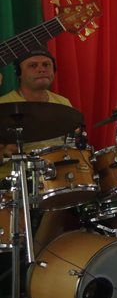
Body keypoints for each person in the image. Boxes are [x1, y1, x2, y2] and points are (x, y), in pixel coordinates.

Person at [0, 49, 76, 254]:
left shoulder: (63, 104)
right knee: (57, 202)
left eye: (46, 65)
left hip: (56, 177)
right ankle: (38, 263)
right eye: (33, 65)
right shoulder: (3, 106)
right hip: (14, 181)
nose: (41, 69)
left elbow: (72, 147)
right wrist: (5, 152)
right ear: (19, 74)